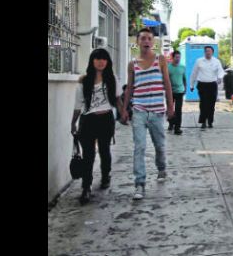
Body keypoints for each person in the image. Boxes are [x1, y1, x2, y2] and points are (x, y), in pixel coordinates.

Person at [120, 28, 175, 200]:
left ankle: (161, 167)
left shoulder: (160, 60)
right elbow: (130, 87)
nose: (146, 41)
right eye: (143, 38)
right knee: (140, 147)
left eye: (149, 39)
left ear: (153, 42)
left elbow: (167, 83)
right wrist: (124, 108)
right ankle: (140, 184)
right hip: (139, 110)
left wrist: (171, 106)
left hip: (158, 111)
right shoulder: (132, 64)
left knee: (159, 146)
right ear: (138, 42)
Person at [70, 48, 120, 205]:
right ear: (92, 61)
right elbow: (78, 105)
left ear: (108, 62)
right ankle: (86, 187)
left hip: (105, 119)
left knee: (105, 151)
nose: (100, 61)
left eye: (104, 59)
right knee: (88, 155)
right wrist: (73, 122)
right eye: (97, 58)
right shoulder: (83, 81)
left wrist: (124, 112)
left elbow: (117, 99)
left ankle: (106, 176)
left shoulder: (112, 79)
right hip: (88, 121)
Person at [190, 46, 225, 129]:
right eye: (206, 51)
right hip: (202, 85)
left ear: (212, 52)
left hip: (212, 84)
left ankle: (210, 121)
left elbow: (221, 71)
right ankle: (203, 122)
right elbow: (194, 73)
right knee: (203, 103)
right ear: (204, 52)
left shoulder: (216, 61)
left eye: (209, 51)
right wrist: (192, 85)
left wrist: (219, 78)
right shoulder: (199, 61)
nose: (208, 53)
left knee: (211, 104)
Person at [167, 50, 186, 135]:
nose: (178, 59)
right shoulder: (168, 67)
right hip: (170, 92)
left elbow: (184, 78)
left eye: (179, 57)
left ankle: (177, 128)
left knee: (178, 110)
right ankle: (171, 123)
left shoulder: (182, 67)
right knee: (170, 109)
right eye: (176, 57)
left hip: (179, 91)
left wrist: (185, 88)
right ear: (172, 57)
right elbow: (166, 80)